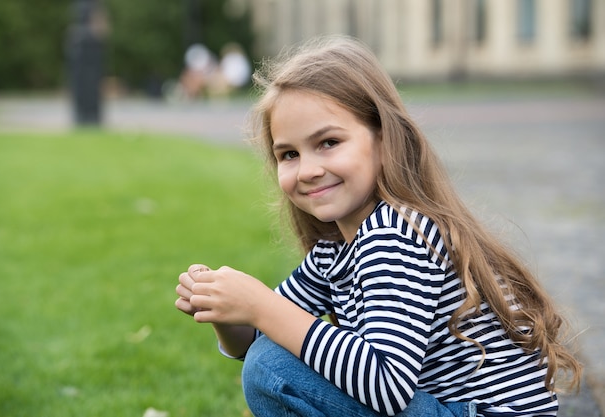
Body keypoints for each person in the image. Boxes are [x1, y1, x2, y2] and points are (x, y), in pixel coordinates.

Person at [175, 36, 582, 416]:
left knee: (272, 369)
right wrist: (224, 311)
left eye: (328, 143)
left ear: (384, 140)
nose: (309, 170)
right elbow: (257, 339)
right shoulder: (336, 249)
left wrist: (262, 305)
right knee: (268, 358)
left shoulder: (395, 232)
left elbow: (386, 383)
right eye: (289, 154)